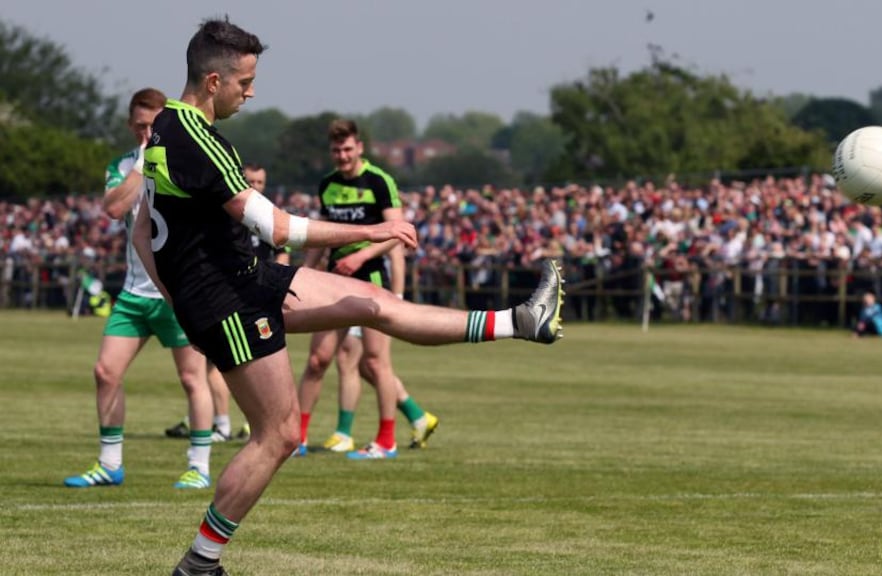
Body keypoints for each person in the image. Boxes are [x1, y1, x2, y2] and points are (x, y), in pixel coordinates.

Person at [134, 18, 562, 575]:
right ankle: (200, 563)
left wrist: (174, 294)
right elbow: (279, 229)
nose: (252, 91)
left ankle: (523, 321)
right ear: (213, 82)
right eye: (245, 81)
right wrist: (373, 231)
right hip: (228, 299)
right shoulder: (200, 140)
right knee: (280, 434)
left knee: (372, 303)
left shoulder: (164, 126)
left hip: (241, 280)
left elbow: (142, 227)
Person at [63, 88, 215, 491]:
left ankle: (198, 467)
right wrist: (142, 164)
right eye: (140, 125)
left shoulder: (185, 162)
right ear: (132, 126)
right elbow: (114, 209)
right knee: (105, 372)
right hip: (134, 294)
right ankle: (110, 464)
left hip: (177, 291)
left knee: (192, 378)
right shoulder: (124, 165)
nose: (147, 132)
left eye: (154, 125)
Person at [295, 119, 438, 459]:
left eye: (347, 149)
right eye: (336, 150)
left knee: (375, 362)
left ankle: (385, 440)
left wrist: (361, 258)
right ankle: (295, 439)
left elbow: (397, 232)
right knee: (317, 360)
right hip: (334, 283)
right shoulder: (327, 185)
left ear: (359, 148)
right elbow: (320, 237)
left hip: (371, 280)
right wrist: (301, 275)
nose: (342, 156)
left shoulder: (379, 181)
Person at [164, 163, 287, 442]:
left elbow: (283, 256)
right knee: (221, 364)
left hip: (256, 299)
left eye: (260, 182)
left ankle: (242, 424)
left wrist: (273, 291)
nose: (256, 186)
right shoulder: (228, 210)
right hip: (228, 297)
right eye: (251, 181)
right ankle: (228, 422)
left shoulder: (268, 214)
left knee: (249, 365)